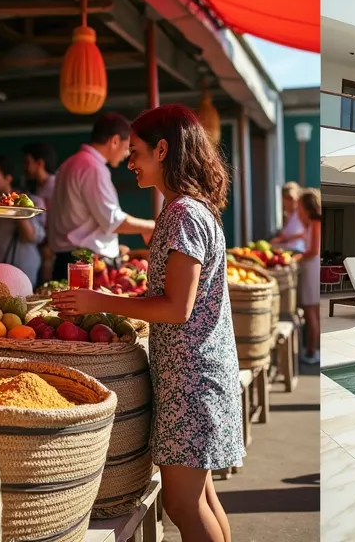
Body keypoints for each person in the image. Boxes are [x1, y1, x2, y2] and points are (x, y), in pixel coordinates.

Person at [53, 105, 241, 542]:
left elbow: (177, 308)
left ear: (162, 150)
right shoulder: (192, 209)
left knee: (182, 503)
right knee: (202, 498)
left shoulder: (182, 214)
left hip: (192, 379)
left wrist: (98, 300)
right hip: (198, 373)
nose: (130, 162)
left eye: (136, 152)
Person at [48, 113, 155, 280]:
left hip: (69, 258)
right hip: (85, 262)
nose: (127, 154)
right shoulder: (92, 167)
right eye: (128, 147)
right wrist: (150, 226)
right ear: (115, 141)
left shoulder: (69, 163)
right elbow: (112, 221)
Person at [0, 155, 45, 283]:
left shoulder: (31, 202)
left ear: (8, 178)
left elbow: (32, 237)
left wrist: (15, 210)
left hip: (23, 271)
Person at [23, 142, 58, 284]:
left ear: (40, 163)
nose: (24, 167)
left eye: (27, 162)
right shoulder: (38, 188)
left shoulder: (54, 186)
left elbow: (57, 217)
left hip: (52, 248)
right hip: (41, 246)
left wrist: (49, 244)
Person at [297, 189, 322, 365]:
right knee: (314, 311)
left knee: (311, 311)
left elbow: (313, 250)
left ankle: (312, 352)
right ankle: (313, 349)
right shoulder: (311, 224)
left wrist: (295, 258)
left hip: (311, 270)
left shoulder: (315, 223)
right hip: (311, 269)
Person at [269, 182, 307, 254]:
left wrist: (286, 239)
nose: (289, 201)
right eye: (286, 197)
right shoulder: (286, 216)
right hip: (286, 250)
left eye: (291, 198)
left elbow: (306, 233)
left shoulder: (302, 213)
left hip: (298, 251)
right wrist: (278, 240)